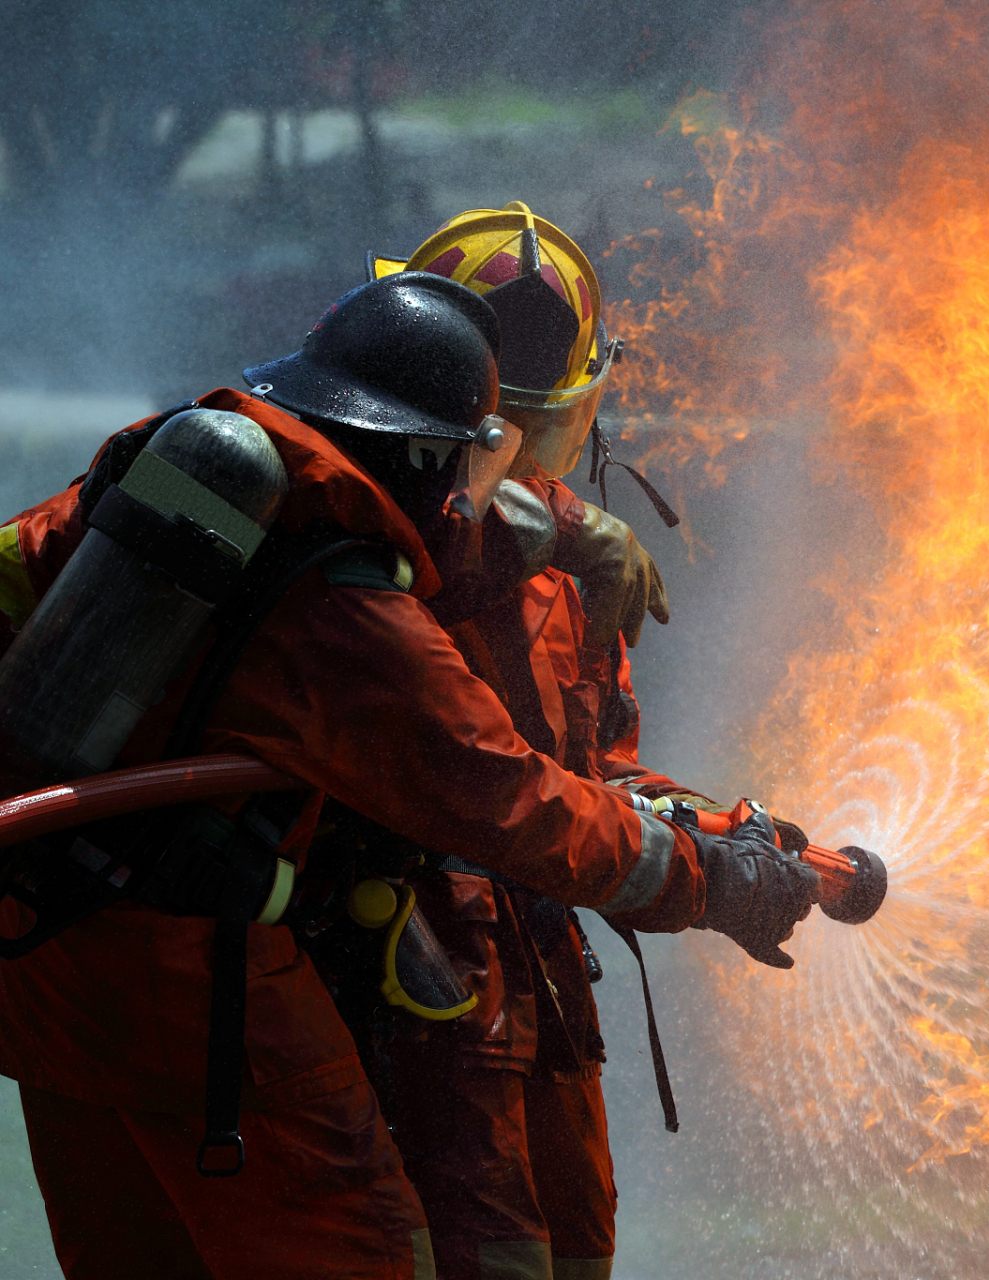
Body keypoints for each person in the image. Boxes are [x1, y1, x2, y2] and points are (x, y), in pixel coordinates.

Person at [0, 271, 817, 1279]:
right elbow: (517, 800)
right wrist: (712, 877)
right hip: (200, 1006)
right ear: (430, 455)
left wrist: (557, 530)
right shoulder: (345, 612)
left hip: (45, 962)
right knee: (371, 1250)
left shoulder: (165, 482)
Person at [355, 203, 732, 1280]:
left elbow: (593, 770)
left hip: (539, 998)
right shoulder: (368, 548)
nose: (521, 458)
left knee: (569, 1252)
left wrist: (724, 833)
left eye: (538, 427)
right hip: (409, 995)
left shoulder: (573, 567)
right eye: (499, 425)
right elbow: (497, 790)